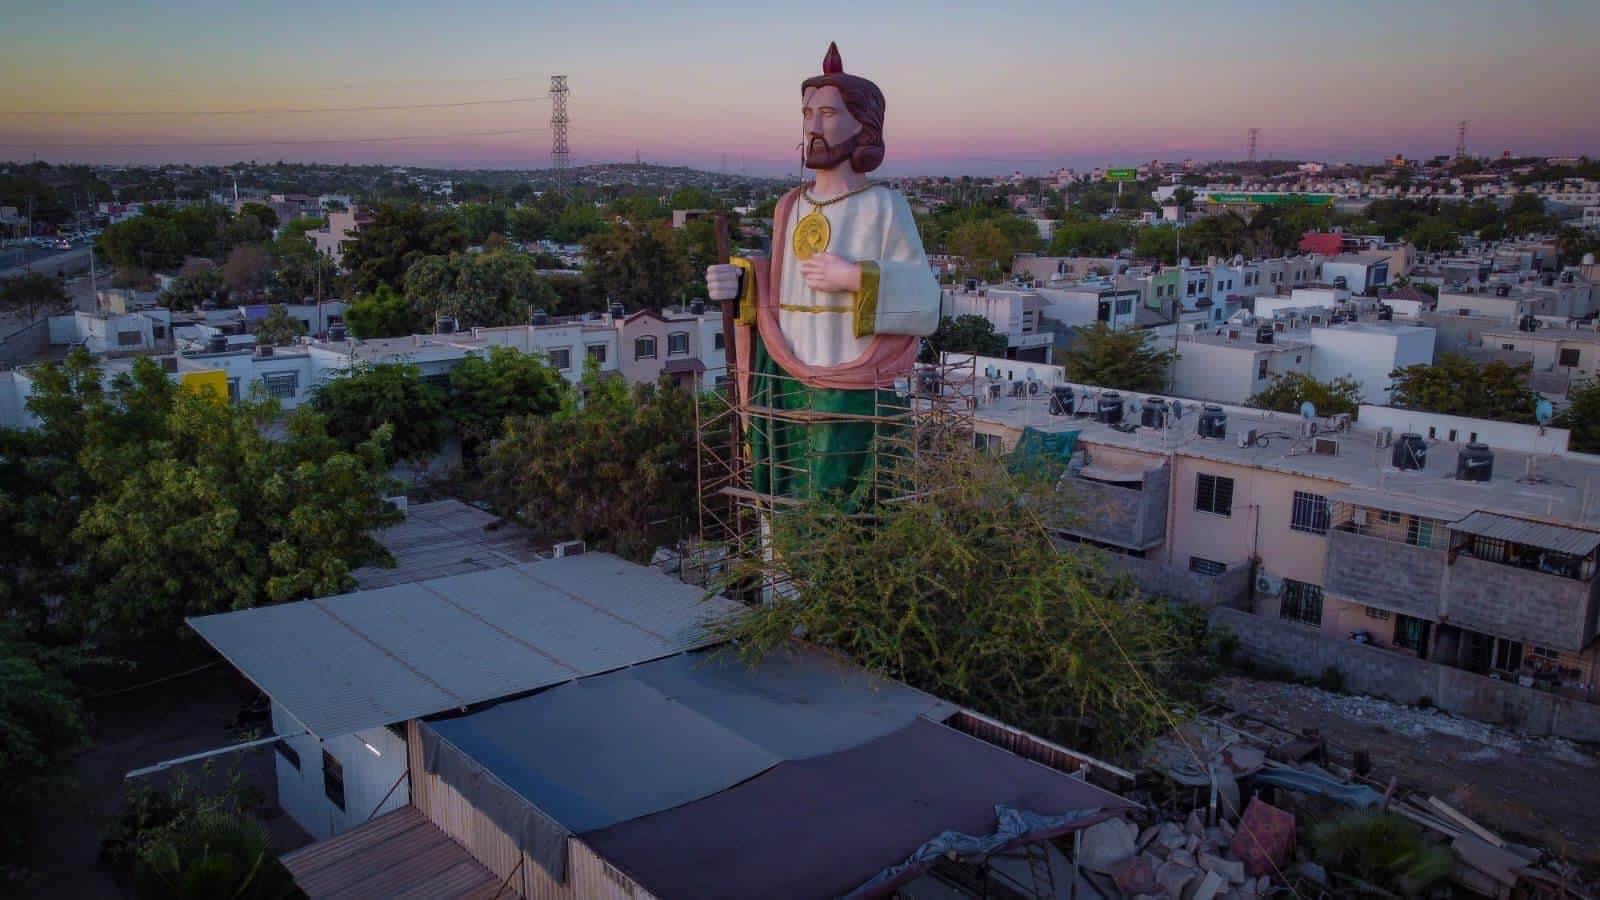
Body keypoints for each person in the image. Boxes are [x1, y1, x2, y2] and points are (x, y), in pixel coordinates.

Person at [705, 42, 941, 500]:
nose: (813, 127)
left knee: (840, 508)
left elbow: (926, 301)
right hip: (787, 384)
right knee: (785, 496)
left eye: (828, 114)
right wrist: (740, 283)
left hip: (849, 387)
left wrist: (855, 278)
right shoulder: (790, 205)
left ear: (863, 126)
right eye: (807, 114)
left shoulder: (884, 205)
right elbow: (775, 287)